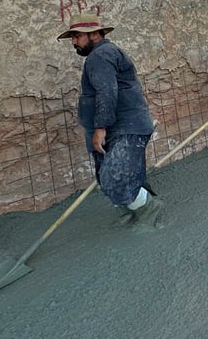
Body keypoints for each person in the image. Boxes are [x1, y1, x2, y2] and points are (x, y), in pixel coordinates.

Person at [57, 13, 163, 228]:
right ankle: (133, 211)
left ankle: (150, 210)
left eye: (77, 36)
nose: (74, 42)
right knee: (116, 174)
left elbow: (106, 91)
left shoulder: (100, 56)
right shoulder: (102, 54)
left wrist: (100, 127)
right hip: (120, 126)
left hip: (124, 126)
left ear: (95, 34)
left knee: (116, 176)